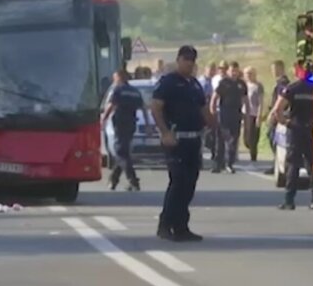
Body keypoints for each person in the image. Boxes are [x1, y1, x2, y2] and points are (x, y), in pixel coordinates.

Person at [151, 45, 216, 242]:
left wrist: (215, 126)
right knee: (178, 182)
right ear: (178, 60)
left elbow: (203, 109)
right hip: (176, 140)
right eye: (185, 59)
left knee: (189, 184)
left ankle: (181, 226)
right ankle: (165, 224)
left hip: (193, 140)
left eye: (191, 60)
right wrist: (164, 132)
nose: (188, 63)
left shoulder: (194, 84)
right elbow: (156, 108)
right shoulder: (168, 83)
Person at [268, 61, 313, 210]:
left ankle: (289, 201)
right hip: (312, 130)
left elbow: (277, 110)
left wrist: (286, 122)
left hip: (295, 130)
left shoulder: (292, 88)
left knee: (293, 166)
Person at [101, 69, 151, 191]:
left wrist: (103, 120)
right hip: (131, 124)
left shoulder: (117, 90)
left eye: (115, 78)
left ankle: (133, 180)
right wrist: (148, 124)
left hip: (120, 124)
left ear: (120, 77)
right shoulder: (135, 91)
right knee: (123, 152)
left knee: (119, 153)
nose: (114, 81)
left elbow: (111, 106)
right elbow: (144, 108)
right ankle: (113, 179)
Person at [211, 61, 250, 174]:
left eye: (236, 71)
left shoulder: (241, 84)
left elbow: (245, 100)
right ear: (228, 71)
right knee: (221, 139)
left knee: (233, 140)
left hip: (236, 113)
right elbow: (215, 97)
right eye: (232, 71)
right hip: (224, 113)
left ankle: (230, 163)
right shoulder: (224, 83)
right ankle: (218, 164)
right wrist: (213, 111)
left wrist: (246, 114)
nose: (234, 73)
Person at [264, 60, 291, 176]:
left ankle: (278, 162)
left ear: (281, 69)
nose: (273, 71)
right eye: (272, 69)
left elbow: (281, 100)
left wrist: (273, 114)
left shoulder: (283, 83)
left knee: (274, 138)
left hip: (278, 114)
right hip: (276, 113)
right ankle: (276, 162)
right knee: (272, 137)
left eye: (275, 69)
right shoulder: (279, 82)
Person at [243, 66, 264, 163]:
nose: (248, 76)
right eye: (247, 74)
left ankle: (253, 156)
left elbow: (261, 101)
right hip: (245, 113)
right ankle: (250, 147)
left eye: (250, 73)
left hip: (254, 113)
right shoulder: (244, 85)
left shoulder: (258, 86)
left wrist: (259, 115)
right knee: (246, 137)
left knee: (253, 136)